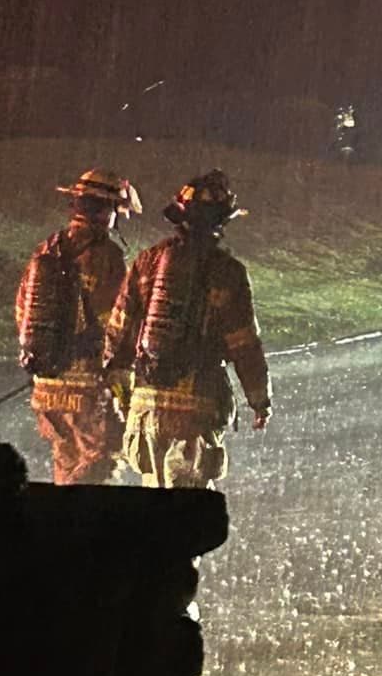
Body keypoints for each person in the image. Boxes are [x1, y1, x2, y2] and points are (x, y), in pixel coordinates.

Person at [103, 169, 271, 490]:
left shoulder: (147, 262)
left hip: (146, 409)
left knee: (152, 500)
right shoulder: (228, 272)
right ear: (221, 221)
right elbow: (244, 346)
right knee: (188, 507)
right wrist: (260, 401)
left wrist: (123, 396)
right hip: (197, 409)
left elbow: (118, 334)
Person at [16, 167, 141, 485]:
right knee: (98, 467)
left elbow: (22, 310)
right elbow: (117, 321)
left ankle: (60, 515)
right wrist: (121, 373)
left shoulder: (46, 249)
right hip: (87, 388)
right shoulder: (107, 256)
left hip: (46, 388)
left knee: (66, 463)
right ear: (107, 211)